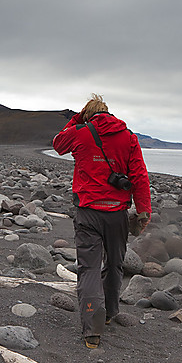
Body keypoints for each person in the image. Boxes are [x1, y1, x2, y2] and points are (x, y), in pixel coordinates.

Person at [52, 94, 151, 349]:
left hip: (88, 213)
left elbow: (58, 144)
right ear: (108, 113)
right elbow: (139, 176)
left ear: (88, 115)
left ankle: (92, 332)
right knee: (115, 263)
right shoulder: (128, 137)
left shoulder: (80, 132)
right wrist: (143, 211)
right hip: (117, 213)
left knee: (89, 269)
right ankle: (109, 313)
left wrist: (77, 119)